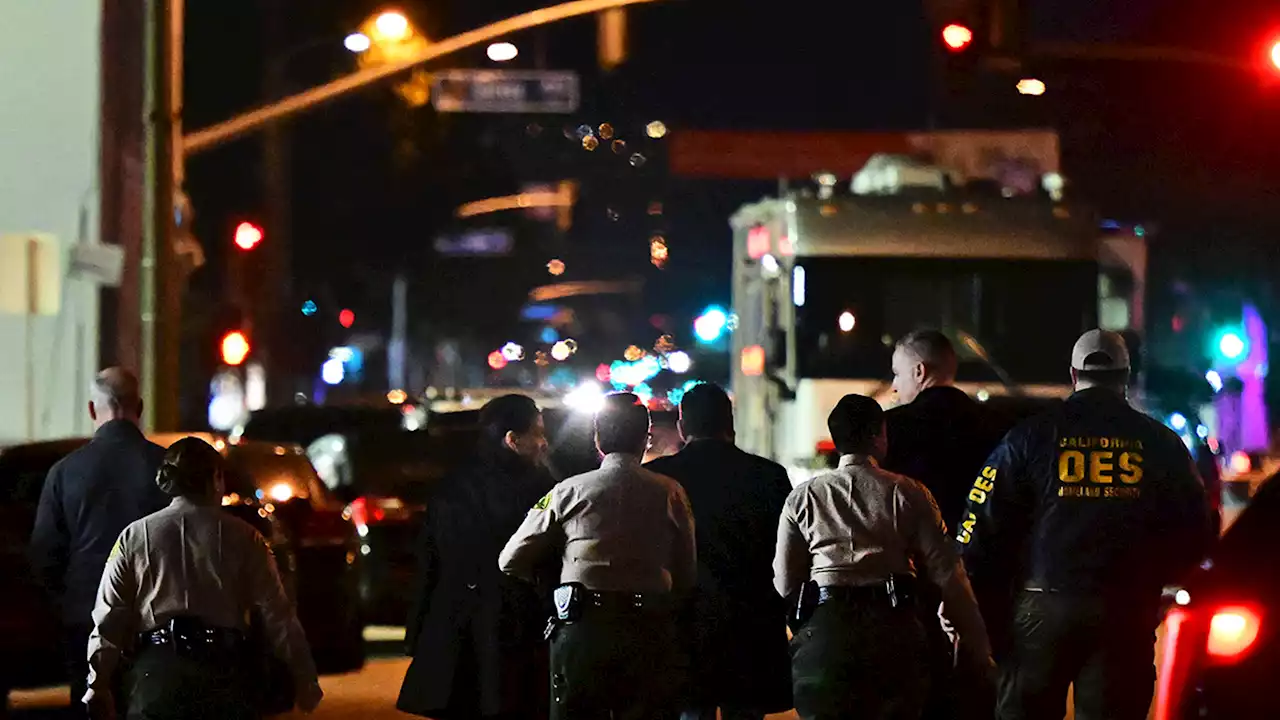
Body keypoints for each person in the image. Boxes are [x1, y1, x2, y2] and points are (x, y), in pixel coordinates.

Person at [956, 329, 1212, 720]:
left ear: (1074, 375)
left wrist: (976, 596)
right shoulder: (1160, 443)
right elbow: (1197, 528)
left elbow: (979, 521)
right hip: (1124, 609)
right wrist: (1158, 582)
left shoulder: (1029, 437)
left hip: (1040, 605)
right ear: (1126, 377)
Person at [775, 394, 993, 720]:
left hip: (825, 634)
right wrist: (976, 643)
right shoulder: (909, 492)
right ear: (879, 436)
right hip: (894, 633)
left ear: (836, 439)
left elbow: (785, 580)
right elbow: (947, 571)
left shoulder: (803, 498)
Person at [83, 437, 322, 719]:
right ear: (216, 478)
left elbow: (109, 617)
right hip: (225, 675)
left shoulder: (135, 537)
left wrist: (96, 685)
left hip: (157, 676)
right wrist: (305, 679)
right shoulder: (245, 538)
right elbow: (278, 616)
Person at [500, 392, 697, 720]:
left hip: (583, 627)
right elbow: (686, 572)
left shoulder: (568, 491)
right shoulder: (670, 492)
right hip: (649, 629)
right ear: (645, 440)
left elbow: (510, 559)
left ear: (598, 439)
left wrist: (549, 582)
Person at [398, 394, 556, 720]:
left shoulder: (452, 486)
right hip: (518, 637)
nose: (544, 443)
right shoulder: (541, 489)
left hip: (457, 636)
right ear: (512, 440)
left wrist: (417, 633)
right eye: (538, 433)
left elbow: (430, 565)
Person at [644, 383, 793, 720]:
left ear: (683, 427)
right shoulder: (768, 476)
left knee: (692, 710)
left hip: (683, 625)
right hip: (751, 626)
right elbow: (786, 551)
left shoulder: (658, 478)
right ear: (731, 423)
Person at [28, 368, 170, 713]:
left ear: (93, 410)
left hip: (87, 618)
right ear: (140, 406)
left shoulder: (64, 472)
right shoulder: (166, 466)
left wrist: (66, 601)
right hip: (153, 620)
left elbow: (45, 553)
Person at [883, 330, 1004, 719]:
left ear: (920, 371)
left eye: (898, 375)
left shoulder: (891, 429)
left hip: (911, 580)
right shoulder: (993, 425)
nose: (894, 386)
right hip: (980, 571)